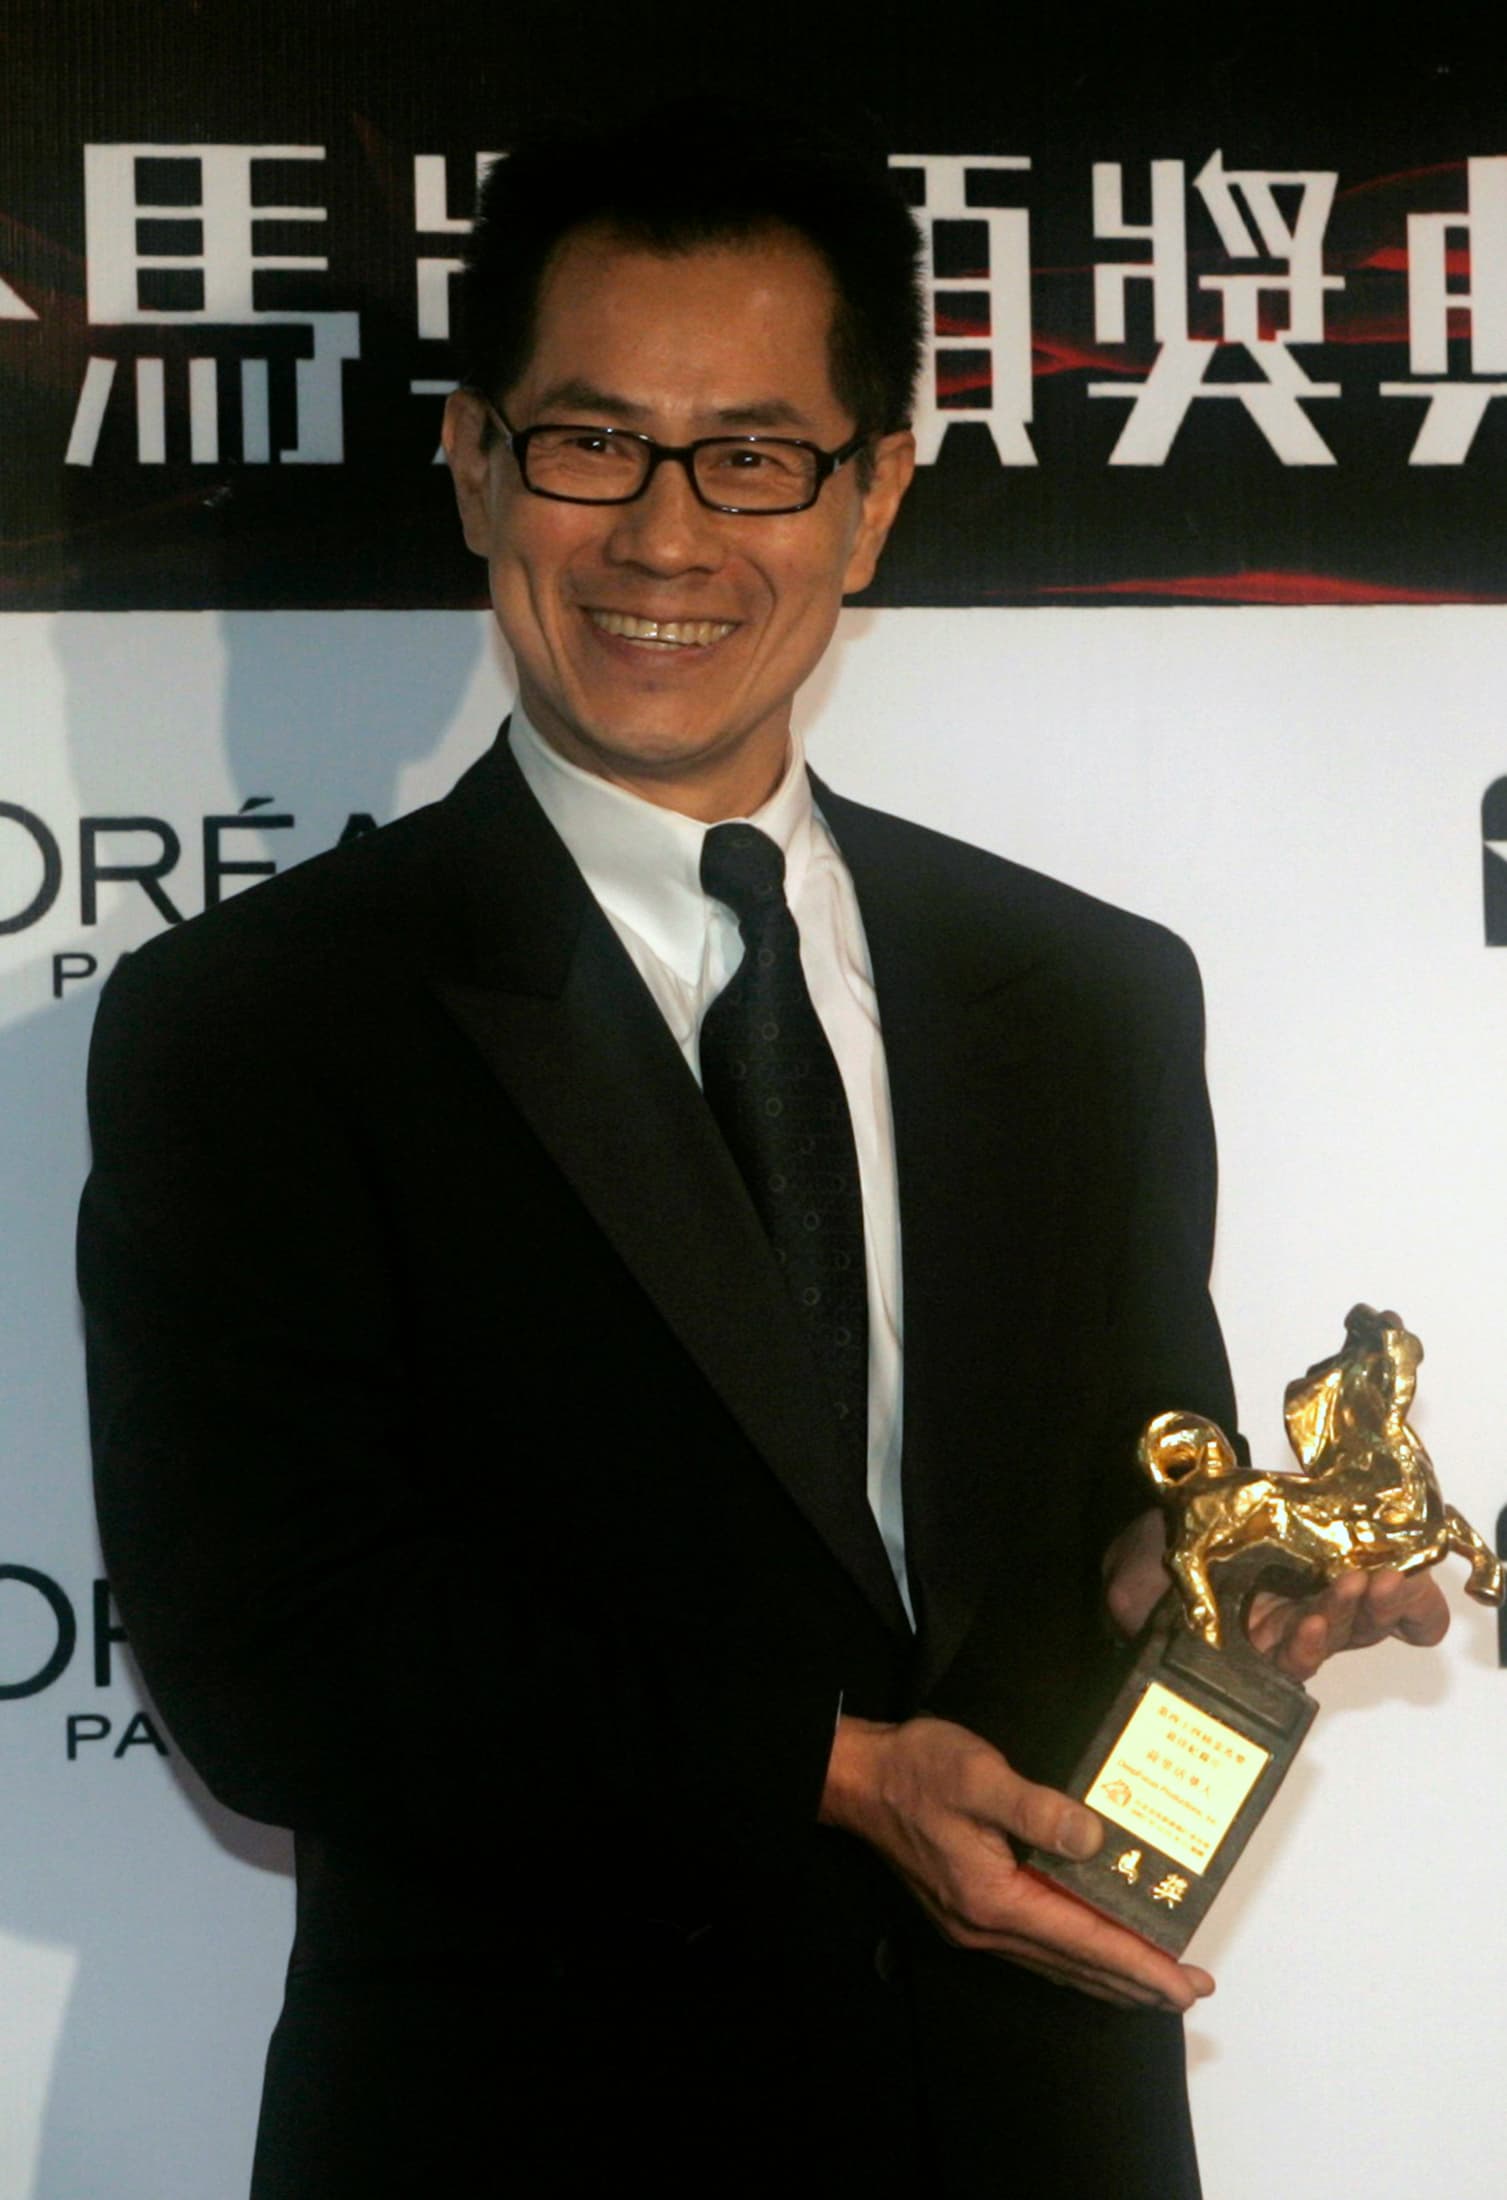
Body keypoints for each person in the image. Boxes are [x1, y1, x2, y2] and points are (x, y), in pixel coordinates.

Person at [78, 108, 1448, 2199]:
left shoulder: (1083, 995)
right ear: (473, 462)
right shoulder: (263, 1024)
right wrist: (830, 1772)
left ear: (871, 495)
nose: (665, 534)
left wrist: (1202, 1587)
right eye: (591, 443)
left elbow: (1081, 1540)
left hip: (1032, 2133)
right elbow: (279, 1658)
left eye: (753, 455)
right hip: (521, 2134)